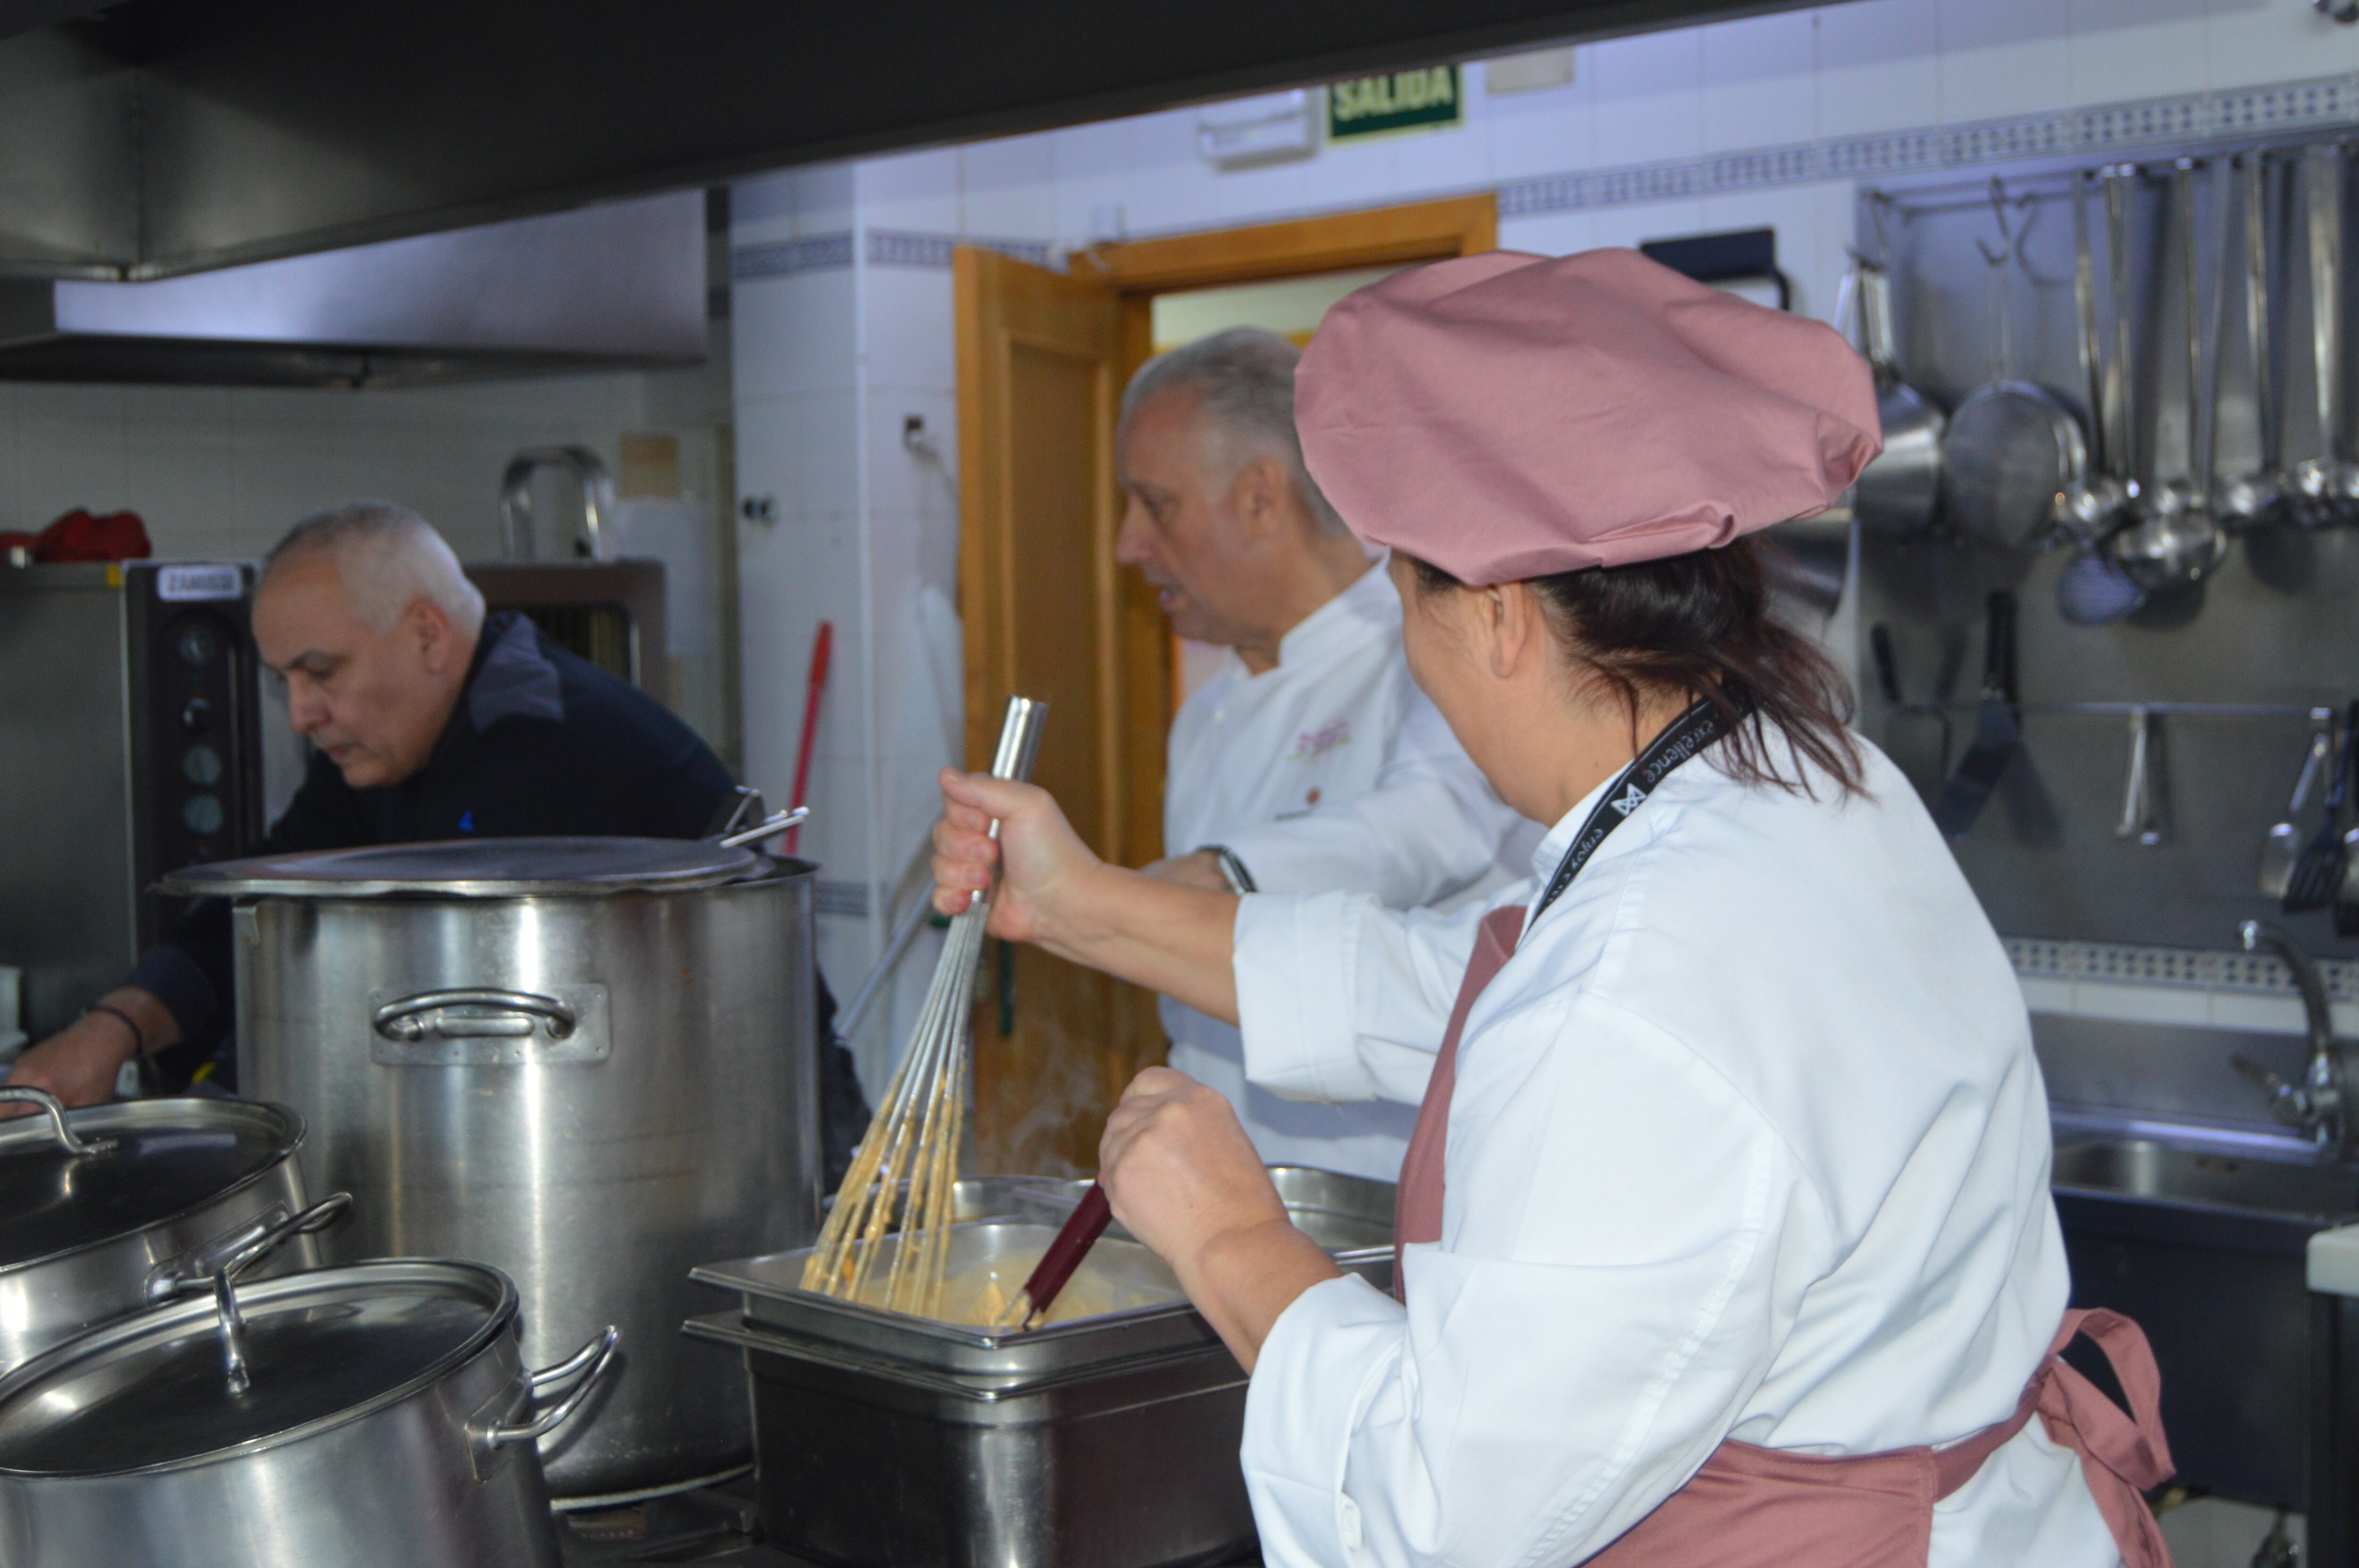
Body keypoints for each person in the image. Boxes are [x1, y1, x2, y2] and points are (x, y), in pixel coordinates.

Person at [931, 252, 2172, 1566]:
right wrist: (1079, 906)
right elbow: (1457, 993)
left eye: (1409, 599)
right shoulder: (1795, 775)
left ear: (1506, 616)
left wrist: (1232, 1233)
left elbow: (1442, 1507)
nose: (1411, 652)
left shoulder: (1645, 981)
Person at [8, 500, 871, 1181]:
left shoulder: (545, 746)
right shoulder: (380, 752)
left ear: (426, 633)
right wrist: (109, 1032)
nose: (303, 713)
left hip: (731, 1149)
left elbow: (445, 1008)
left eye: (321, 672)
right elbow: (259, 909)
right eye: (285, 683)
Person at [1116, 327, 1536, 1182]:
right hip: (1225, 1191)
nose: (1128, 545)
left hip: (1390, 1199)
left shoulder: (1427, 650)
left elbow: (1433, 824)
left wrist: (1205, 879)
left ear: (1263, 497)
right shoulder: (1205, 716)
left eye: (1155, 505)